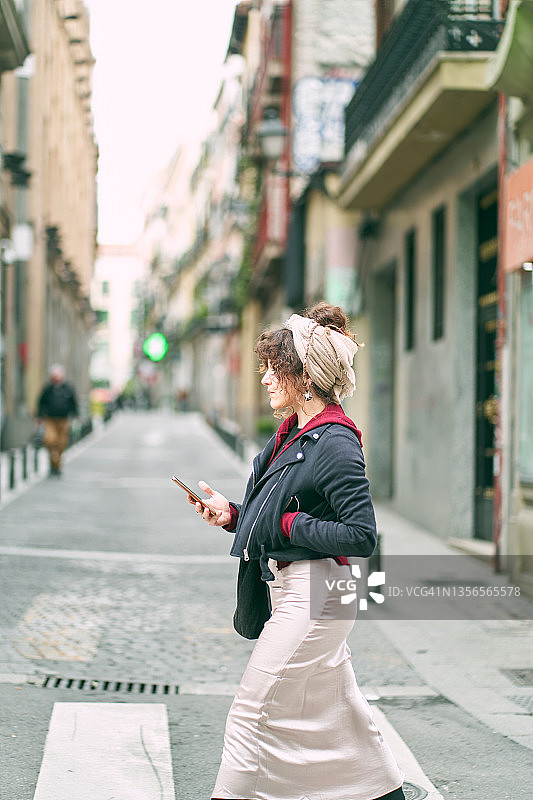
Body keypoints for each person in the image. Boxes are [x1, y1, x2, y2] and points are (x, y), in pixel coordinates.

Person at [191, 302, 405, 800]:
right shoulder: (294, 434)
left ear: (305, 376)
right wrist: (233, 515)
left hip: (318, 594)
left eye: (275, 368)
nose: (266, 378)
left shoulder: (335, 442)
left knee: (251, 712)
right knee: (342, 715)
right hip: (301, 588)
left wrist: (292, 524)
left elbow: (361, 535)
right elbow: (278, 508)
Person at [36, 364, 78, 476]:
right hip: (50, 419)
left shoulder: (68, 389)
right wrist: (39, 417)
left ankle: (57, 465)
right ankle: (53, 461)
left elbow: (73, 404)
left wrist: (75, 416)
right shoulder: (48, 389)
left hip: (63, 420)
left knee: (61, 443)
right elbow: (41, 403)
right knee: (50, 440)